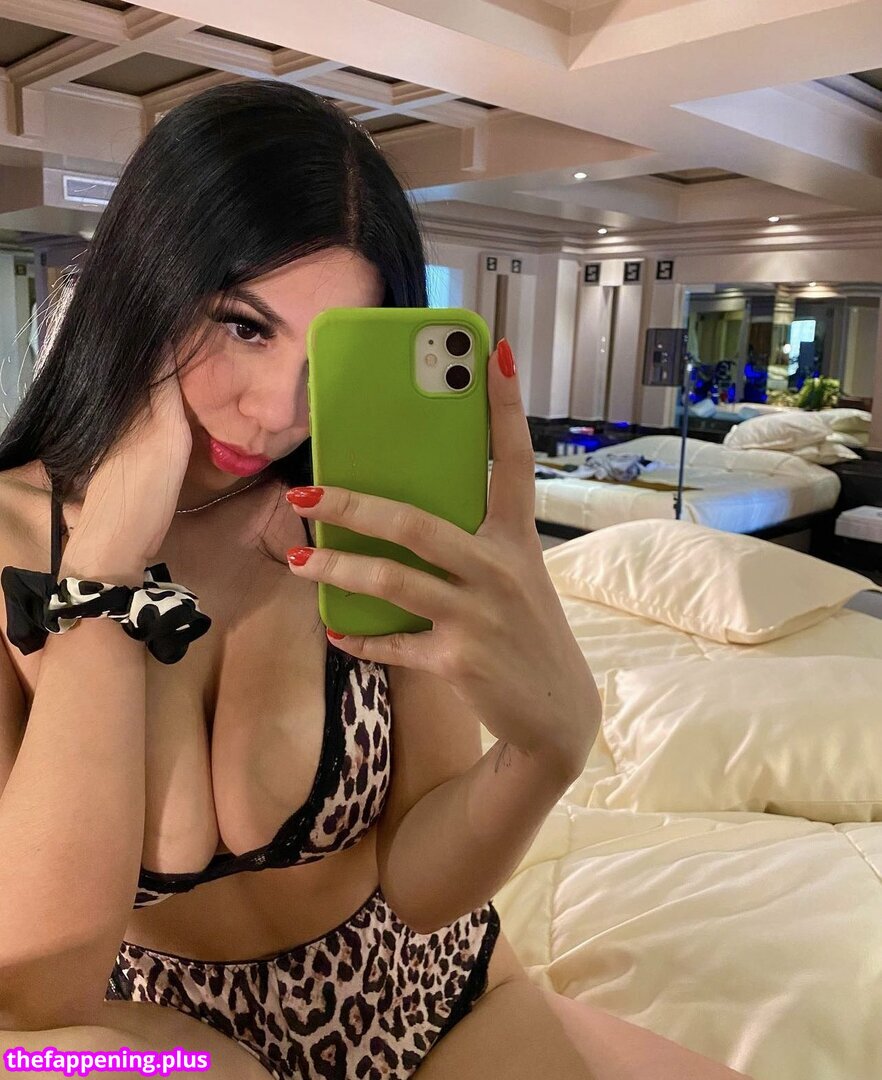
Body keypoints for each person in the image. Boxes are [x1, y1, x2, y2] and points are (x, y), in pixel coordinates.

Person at [0, 82, 751, 1080]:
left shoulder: (363, 519)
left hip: (432, 995)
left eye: (333, 355)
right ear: (143, 284)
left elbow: (422, 889)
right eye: (244, 325)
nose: (280, 411)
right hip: (172, 1048)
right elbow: (38, 1002)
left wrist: (548, 749)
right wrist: (100, 571)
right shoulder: (11, 535)